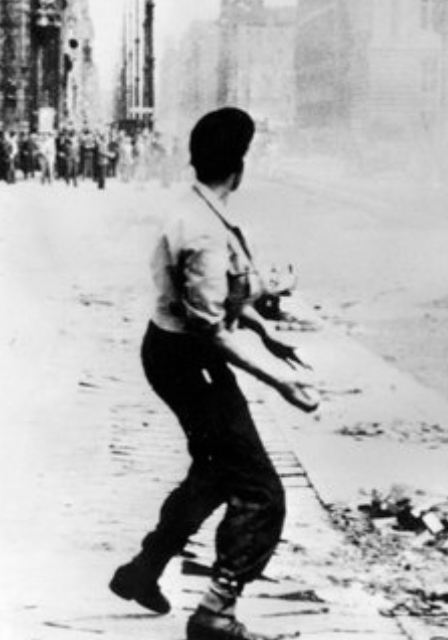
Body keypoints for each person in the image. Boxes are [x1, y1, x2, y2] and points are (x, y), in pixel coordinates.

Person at [108, 107, 319, 640]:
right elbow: (208, 327)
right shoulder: (202, 228)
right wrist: (280, 380)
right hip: (187, 360)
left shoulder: (196, 208)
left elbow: (215, 298)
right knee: (261, 489)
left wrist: (262, 328)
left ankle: (142, 571)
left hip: (175, 352)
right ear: (239, 166)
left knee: (214, 470)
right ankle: (216, 612)